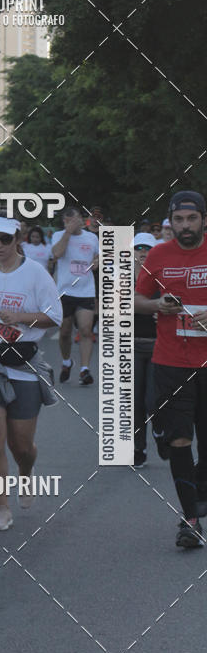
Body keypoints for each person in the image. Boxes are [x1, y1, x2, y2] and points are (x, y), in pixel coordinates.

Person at [0, 218, 62, 530]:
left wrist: (20, 317)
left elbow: (55, 316)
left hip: (24, 363)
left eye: (5, 239)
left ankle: (26, 472)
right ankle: (2, 508)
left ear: (18, 239)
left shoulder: (35, 273)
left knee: (22, 446)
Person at [135, 191, 207, 548]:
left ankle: (200, 491)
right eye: (178, 220)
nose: (185, 226)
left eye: (192, 219)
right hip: (170, 362)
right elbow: (135, 299)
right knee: (179, 440)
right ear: (171, 222)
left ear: (203, 220)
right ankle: (190, 519)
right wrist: (157, 305)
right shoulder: (159, 255)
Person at [51, 207, 99, 385]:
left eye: (74, 219)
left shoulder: (91, 238)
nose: (70, 223)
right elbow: (56, 254)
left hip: (86, 291)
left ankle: (84, 370)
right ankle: (66, 362)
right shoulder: (58, 236)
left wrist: (97, 261)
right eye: (67, 220)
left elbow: (99, 256)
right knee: (65, 332)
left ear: (81, 219)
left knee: (86, 330)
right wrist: (68, 233)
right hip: (65, 291)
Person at [132, 233, 158, 468]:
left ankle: (159, 431)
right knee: (135, 403)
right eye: (138, 248)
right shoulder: (121, 281)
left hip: (159, 346)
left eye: (147, 248)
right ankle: (138, 448)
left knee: (153, 401)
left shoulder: (163, 279)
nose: (142, 252)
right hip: (130, 346)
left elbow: (177, 305)